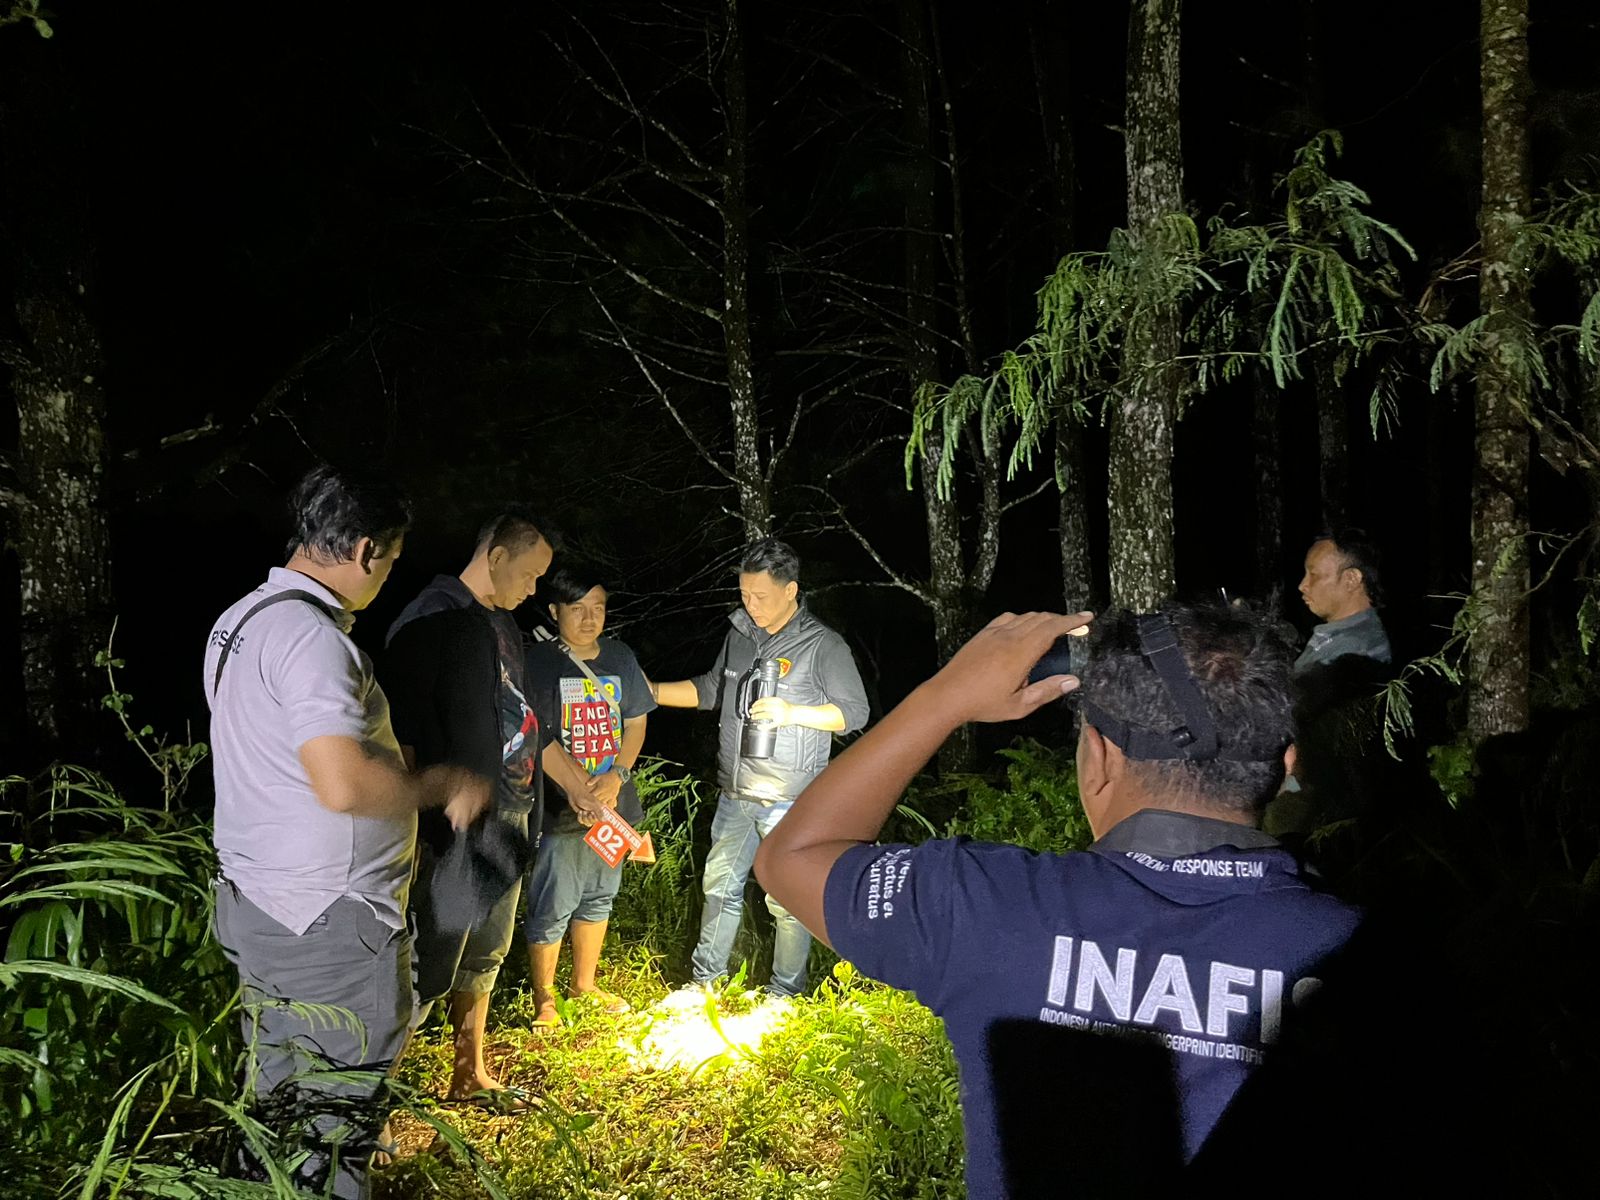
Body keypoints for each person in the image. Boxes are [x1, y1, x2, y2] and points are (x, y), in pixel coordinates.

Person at [754, 604, 1362, 1197]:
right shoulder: (1376, 960)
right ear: (1285, 768)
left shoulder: (990, 908)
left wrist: (946, 696)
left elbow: (790, 858)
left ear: (1097, 758)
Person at [205, 465, 486, 1199]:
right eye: (391, 562)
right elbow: (341, 782)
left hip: (258, 903)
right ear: (366, 550)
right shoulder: (311, 639)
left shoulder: (239, 622)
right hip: (327, 922)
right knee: (335, 1127)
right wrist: (439, 785)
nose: (387, 578)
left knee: (277, 1101)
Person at [382, 510, 595, 1105]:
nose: (533, 591)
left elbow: (528, 720)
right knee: (428, 960)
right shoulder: (433, 618)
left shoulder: (502, 627)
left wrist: (575, 785)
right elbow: (398, 730)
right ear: (495, 556)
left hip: (513, 809)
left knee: (487, 949)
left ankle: (468, 1072)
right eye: (529, 575)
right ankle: (375, 1104)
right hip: (457, 828)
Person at [651, 538, 869, 997]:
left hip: (791, 800)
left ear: (791, 591)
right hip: (736, 793)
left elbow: (854, 713)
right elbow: (711, 690)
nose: (750, 606)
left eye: (761, 597)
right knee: (719, 887)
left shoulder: (823, 645)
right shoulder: (739, 636)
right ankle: (703, 984)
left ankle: (785, 993)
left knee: (787, 900)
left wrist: (791, 712)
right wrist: (647, 691)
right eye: (744, 595)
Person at [522, 563, 656, 1026]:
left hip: (615, 803)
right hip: (564, 806)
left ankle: (584, 985)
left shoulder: (619, 657)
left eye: (598, 608)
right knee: (552, 901)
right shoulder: (537, 661)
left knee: (600, 895)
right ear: (555, 610)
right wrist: (577, 790)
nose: (589, 619)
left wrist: (618, 774)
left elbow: (636, 721)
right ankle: (544, 997)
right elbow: (534, 733)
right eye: (577, 608)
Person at [1294, 529, 1391, 676]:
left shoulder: (1357, 653)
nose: (1302, 585)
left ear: (1351, 579)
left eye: (1314, 574)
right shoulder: (1339, 633)